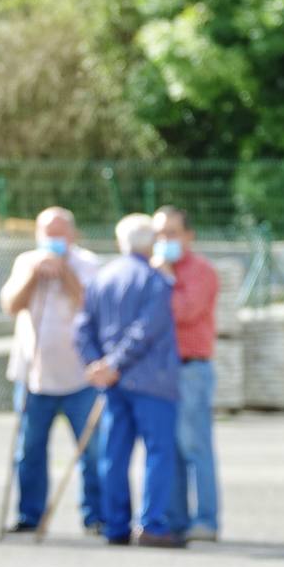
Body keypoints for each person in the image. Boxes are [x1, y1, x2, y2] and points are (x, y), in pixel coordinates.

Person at [74, 214, 183, 548]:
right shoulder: (155, 281)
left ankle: (116, 524)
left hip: (113, 384)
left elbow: (81, 327)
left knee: (114, 453)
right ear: (150, 243)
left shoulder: (100, 278)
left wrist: (98, 364)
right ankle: (151, 524)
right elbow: (146, 330)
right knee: (158, 452)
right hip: (152, 381)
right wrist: (114, 364)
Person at [0, 206, 102, 534]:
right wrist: (34, 275)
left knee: (91, 449)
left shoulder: (88, 262)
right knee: (29, 449)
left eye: (60, 233)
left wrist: (66, 271)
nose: (54, 240)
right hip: (34, 375)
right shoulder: (25, 262)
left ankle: (95, 516)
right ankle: (30, 515)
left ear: (72, 235)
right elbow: (11, 306)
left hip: (80, 376)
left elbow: (91, 304)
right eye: (48, 234)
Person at [152, 205, 221, 542]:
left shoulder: (200, 271)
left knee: (195, 446)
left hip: (191, 369)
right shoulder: (155, 270)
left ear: (188, 236)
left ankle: (206, 520)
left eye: (172, 233)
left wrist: (165, 277)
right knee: (171, 448)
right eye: (159, 234)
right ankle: (177, 519)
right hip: (161, 373)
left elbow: (183, 310)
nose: (164, 240)